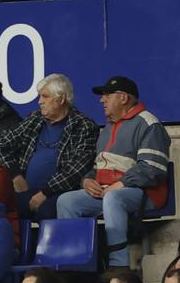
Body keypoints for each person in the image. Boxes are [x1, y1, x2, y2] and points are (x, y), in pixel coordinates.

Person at [57, 76, 172, 268]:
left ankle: (118, 266)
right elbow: (98, 167)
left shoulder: (149, 123)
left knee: (113, 199)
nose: (102, 100)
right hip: (108, 191)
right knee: (67, 201)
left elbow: (153, 168)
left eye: (107, 95)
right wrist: (87, 181)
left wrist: (121, 184)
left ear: (123, 98)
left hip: (144, 193)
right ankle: (75, 264)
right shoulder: (108, 128)